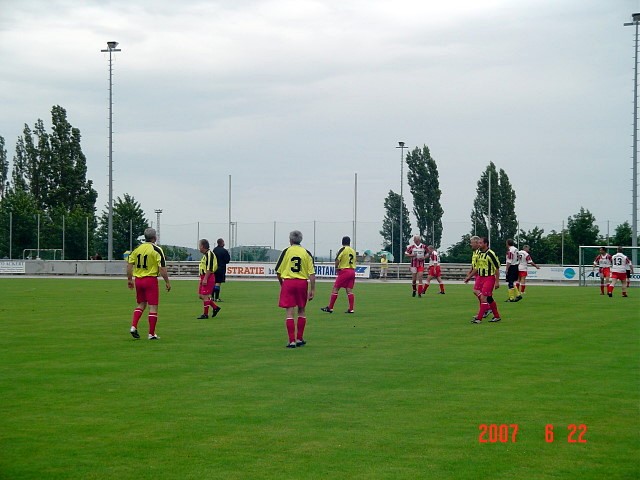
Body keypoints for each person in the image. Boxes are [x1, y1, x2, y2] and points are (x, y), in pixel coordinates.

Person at [127, 228, 171, 340]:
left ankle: (133, 326)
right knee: (153, 306)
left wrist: (129, 279)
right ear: (154, 238)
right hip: (150, 280)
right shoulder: (157, 249)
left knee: (141, 304)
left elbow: (129, 265)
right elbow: (162, 268)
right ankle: (151, 334)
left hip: (138, 280)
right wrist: (167, 281)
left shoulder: (137, 249)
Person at [275, 230, 316, 348]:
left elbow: (278, 271)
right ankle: (299, 338)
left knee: (289, 312)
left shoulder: (286, 251)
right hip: (302, 283)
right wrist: (312, 289)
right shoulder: (306, 253)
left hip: (288, 282)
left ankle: (292, 341)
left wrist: (282, 284)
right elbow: (312, 274)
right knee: (301, 310)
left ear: (290, 240)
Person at [463, 236, 501, 324]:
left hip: (489, 278)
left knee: (484, 298)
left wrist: (497, 281)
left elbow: (496, 268)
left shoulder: (490, 254)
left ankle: (479, 318)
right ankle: (496, 316)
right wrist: (469, 276)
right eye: (478, 243)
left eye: (480, 243)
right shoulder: (479, 253)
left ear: (485, 244)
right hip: (480, 277)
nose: (479, 245)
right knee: (487, 297)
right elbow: (476, 267)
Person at [321, 236, 357, 314]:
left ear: (342, 242)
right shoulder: (353, 251)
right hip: (352, 271)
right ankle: (351, 309)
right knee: (349, 290)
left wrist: (336, 268)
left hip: (345, 271)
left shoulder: (343, 249)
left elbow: (337, 259)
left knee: (335, 288)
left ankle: (330, 308)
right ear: (349, 242)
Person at [196, 239, 221, 319]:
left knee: (205, 296)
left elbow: (209, 268)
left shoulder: (210, 254)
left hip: (208, 277)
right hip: (203, 276)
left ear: (202, 246)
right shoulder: (206, 255)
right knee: (201, 296)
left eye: (199, 246)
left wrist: (205, 278)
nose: (199, 248)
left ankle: (205, 314)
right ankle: (215, 307)